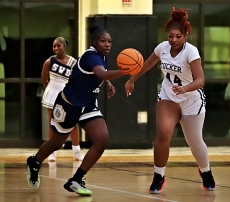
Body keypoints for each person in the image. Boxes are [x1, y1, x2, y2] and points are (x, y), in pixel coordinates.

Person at [26, 24, 126, 196]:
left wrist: (108, 83)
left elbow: (100, 74)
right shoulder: (91, 56)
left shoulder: (102, 57)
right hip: (68, 105)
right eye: (103, 41)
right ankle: (34, 162)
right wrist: (125, 71)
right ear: (94, 43)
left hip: (87, 105)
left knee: (102, 139)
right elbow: (101, 74)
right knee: (56, 142)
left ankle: (76, 179)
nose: (108, 44)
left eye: (110, 41)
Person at [125, 7, 215, 194]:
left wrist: (185, 88)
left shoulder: (191, 52)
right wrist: (132, 79)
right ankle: (159, 176)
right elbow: (148, 63)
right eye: (171, 36)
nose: (173, 40)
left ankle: (206, 172)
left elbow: (200, 80)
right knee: (163, 135)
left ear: (185, 36)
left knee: (195, 142)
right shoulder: (162, 48)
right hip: (168, 97)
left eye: (178, 36)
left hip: (191, 100)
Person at [41, 37, 84, 161]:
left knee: (73, 123)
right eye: (54, 46)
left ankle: (76, 152)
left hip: (69, 95)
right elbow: (44, 80)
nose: (56, 48)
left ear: (65, 46)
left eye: (58, 46)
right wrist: (52, 89)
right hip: (53, 93)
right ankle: (52, 152)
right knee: (52, 123)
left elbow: (79, 79)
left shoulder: (74, 62)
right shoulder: (49, 62)